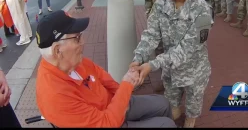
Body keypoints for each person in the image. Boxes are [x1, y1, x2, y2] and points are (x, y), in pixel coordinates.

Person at [35, 10, 176, 128]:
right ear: (58, 50)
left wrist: (122, 99)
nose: (83, 42)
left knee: (163, 104)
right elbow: (107, 123)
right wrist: (126, 86)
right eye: (77, 38)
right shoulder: (55, 96)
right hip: (108, 122)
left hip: (114, 105)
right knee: (167, 125)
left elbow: (103, 77)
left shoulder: (72, 62)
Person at [130, 0, 213, 128]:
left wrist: (151, 65)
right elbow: (151, 35)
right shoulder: (160, 5)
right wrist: (138, 59)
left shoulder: (203, 10)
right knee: (172, 108)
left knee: (191, 112)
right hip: (170, 72)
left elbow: (187, 49)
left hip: (194, 73)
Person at [144, 0, 181, 92]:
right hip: (159, 26)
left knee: (176, 56)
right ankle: (165, 81)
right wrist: (150, 19)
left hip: (176, 27)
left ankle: (177, 86)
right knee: (160, 54)